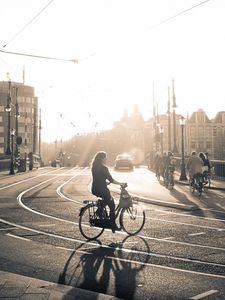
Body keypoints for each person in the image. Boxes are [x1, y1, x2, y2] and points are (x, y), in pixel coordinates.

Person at [91, 151, 126, 233]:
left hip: (94, 188)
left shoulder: (94, 166)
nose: (106, 159)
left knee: (108, 201)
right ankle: (112, 224)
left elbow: (98, 178)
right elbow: (111, 180)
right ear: (102, 158)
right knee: (112, 205)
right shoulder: (104, 168)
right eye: (105, 157)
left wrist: (105, 182)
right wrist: (120, 183)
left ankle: (101, 211)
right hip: (102, 189)